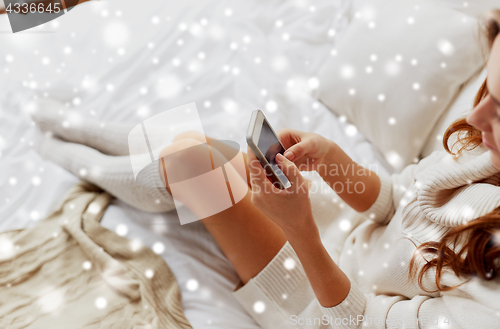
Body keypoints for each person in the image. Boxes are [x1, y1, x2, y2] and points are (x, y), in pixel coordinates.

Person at [32, 9, 500, 329]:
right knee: (216, 151)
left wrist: (300, 230)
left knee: (191, 163)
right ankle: (89, 137)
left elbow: (361, 322)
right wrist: (333, 160)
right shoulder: (485, 151)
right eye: (487, 92)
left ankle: (72, 157)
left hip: (327, 306)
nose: (476, 121)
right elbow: (398, 200)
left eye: (498, 108)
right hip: (345, 241)